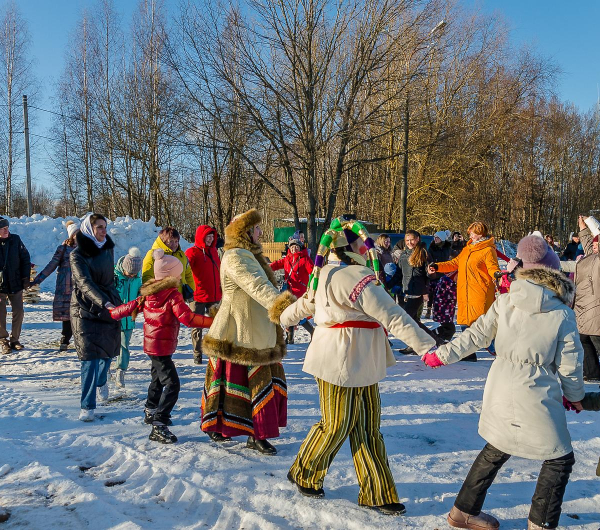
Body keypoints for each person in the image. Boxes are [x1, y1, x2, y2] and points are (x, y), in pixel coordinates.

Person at [423, 234, 584, 530]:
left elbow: (475, 335)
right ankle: (541, 524)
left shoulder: (506, 301)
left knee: (497, 445)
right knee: (559, 458)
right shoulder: (561, 313)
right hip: (535, 390)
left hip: (501, 384)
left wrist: (442, 355)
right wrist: (574, 396)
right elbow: (570, 363)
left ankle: (463, 512)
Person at [281, 217, 436, 516]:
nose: (367, 247)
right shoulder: (351, 277)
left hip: (361, 360)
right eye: (361, 242)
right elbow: (392, 314)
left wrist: (281, 316)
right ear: (349, 245)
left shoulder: (333, 274)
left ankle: (376, 491)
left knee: (367, 428)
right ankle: (304, 472)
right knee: (336, 424)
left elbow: (305, 305)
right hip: (337, 359)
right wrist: (427, 346)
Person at [201, 209, 295, 455]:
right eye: (256, 229)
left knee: (242, 381)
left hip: (253, 328)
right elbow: (257, 286)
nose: (261, 233)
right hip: (239, 330)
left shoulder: (247, 255)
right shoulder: (236, 257)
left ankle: (236, 429)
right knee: (242, 382)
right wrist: (283, 307)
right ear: (245, 232)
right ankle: (253, 433)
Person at [110, 249, 213, 444]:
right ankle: (159, 424)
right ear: (172, 275)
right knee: (172, 384)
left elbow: (129, 307)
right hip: (160, 347)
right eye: (179, 272)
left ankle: (150, 411)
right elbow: (188, 318)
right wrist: (213, 322)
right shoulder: (172, 295)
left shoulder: (150, 291)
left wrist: (112, 312)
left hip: (153, 345)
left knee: (158, 379)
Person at [70, 214, 122, 422]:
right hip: (85, 309)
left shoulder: (108, 248)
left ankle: (102, 381)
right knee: (89, 358)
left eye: (105, 227)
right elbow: (84, 282)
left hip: (109, 304)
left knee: (108, 354)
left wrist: (116, 298)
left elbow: (110, 277)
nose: (103, 231)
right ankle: (87, 406)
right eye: (99, 227)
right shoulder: (77, 255)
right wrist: (104, 301)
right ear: (88, 229)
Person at [429, 221, 500, 362]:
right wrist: (437, 266)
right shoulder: (467, 249)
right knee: (464, 323)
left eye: (474, 233)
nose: (471, 235)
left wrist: (497, 274)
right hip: (464, 291)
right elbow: (454, 263)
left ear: (481, 233)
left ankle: (500, 351)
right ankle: (468, 353)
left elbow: (492, 267)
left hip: (480, 292)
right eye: (471, 233)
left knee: (482, 325)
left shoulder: (487, 250)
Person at [560, 215, 600, 382]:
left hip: (595, 308)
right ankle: (592, 373)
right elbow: (589, 244)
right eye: (595, 244)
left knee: (595, 340)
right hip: (583, 309)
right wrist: (583, 228)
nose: (595, 246)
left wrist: (592, 223)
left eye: (598, 243)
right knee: (583, 339)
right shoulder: (591, 257)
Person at [32, 220, 79, 351]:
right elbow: (51, 266)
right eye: (76, 233)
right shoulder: (63, 249)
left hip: (81, 288)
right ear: (71, 235)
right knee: (67, 315)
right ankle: (65, 339)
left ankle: (81, 340)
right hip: (66, 287)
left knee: (80, 314)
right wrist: (37, 280)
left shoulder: (86, 250)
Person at [185, 225, 222, 365]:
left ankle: (215, 351)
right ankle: (197, 353)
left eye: (212, 236)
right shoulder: (192, 252)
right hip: (198, 296)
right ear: (201, 236)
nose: (210, 239)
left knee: (217, 325)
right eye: (208, 236)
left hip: (214, 296)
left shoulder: (214, 251)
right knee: (197, 327)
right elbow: (184, 267)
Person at [388, 230, 430, 349]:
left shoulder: (423, 253)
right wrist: (387, 285)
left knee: (407, 320)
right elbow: (398, 274)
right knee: (414, 321)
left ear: (417, 239)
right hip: (405, 291)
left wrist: (426, 289)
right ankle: (429, 341)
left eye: (412, 240)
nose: (409, 242)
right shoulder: (404, 255)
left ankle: (425, 342)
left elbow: (429, 275)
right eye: (407, 240)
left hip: (417, 292)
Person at [270, 237, 314, 343]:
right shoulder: (287, 259)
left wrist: (312, 284)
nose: (294, 248)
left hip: (300, 291)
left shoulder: (305, 259)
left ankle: (312, 331)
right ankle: (290, 337)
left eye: (297, 246)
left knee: (298, 314)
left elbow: (312, 271)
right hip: (289, 291)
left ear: (300, 248)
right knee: (289, 313)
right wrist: (265, 268)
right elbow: (276, 265)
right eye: (292, 246)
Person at [0, 217, 31, 355]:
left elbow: (25, 258)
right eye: (3, 228)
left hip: (15, 283)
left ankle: (15, 340)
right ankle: (3, 340)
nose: (6, 230)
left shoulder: (15, 240)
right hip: (0, 285)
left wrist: (25, 277)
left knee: (18, 311)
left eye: (7, 227)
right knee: (1, 313)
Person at [113, 247, 143, 388]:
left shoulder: (137, 279)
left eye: (134, 274)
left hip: (129, 320)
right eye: (129, 273)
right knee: (109, 345)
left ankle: (121, 370)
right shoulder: (114, 277)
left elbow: (139, 294)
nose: (132, 276)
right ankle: (105, 369)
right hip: (113, 318)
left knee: (124, 346)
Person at [142, 227, 194, 295]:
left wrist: (192, 291)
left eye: (176, 241)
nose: (174, 245)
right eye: (171, 241)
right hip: (162, 298)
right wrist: (153, 294)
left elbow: (188, 274)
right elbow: (147, 277)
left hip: (179, 296)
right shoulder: (153, 254)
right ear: (163, 241)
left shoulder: (181, 255)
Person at [425, 231, 452, 318]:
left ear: (442, 239)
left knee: (441, 294)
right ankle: (429, 309)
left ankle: (438, 311)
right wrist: (432, 266)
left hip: (444, 274)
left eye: (437, 238)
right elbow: (428, 258)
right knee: (431, 293)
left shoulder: (447, 247)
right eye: (434, 237)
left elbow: (454, 255)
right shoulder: (432, 247)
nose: (435, 239)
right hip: (434, 273)